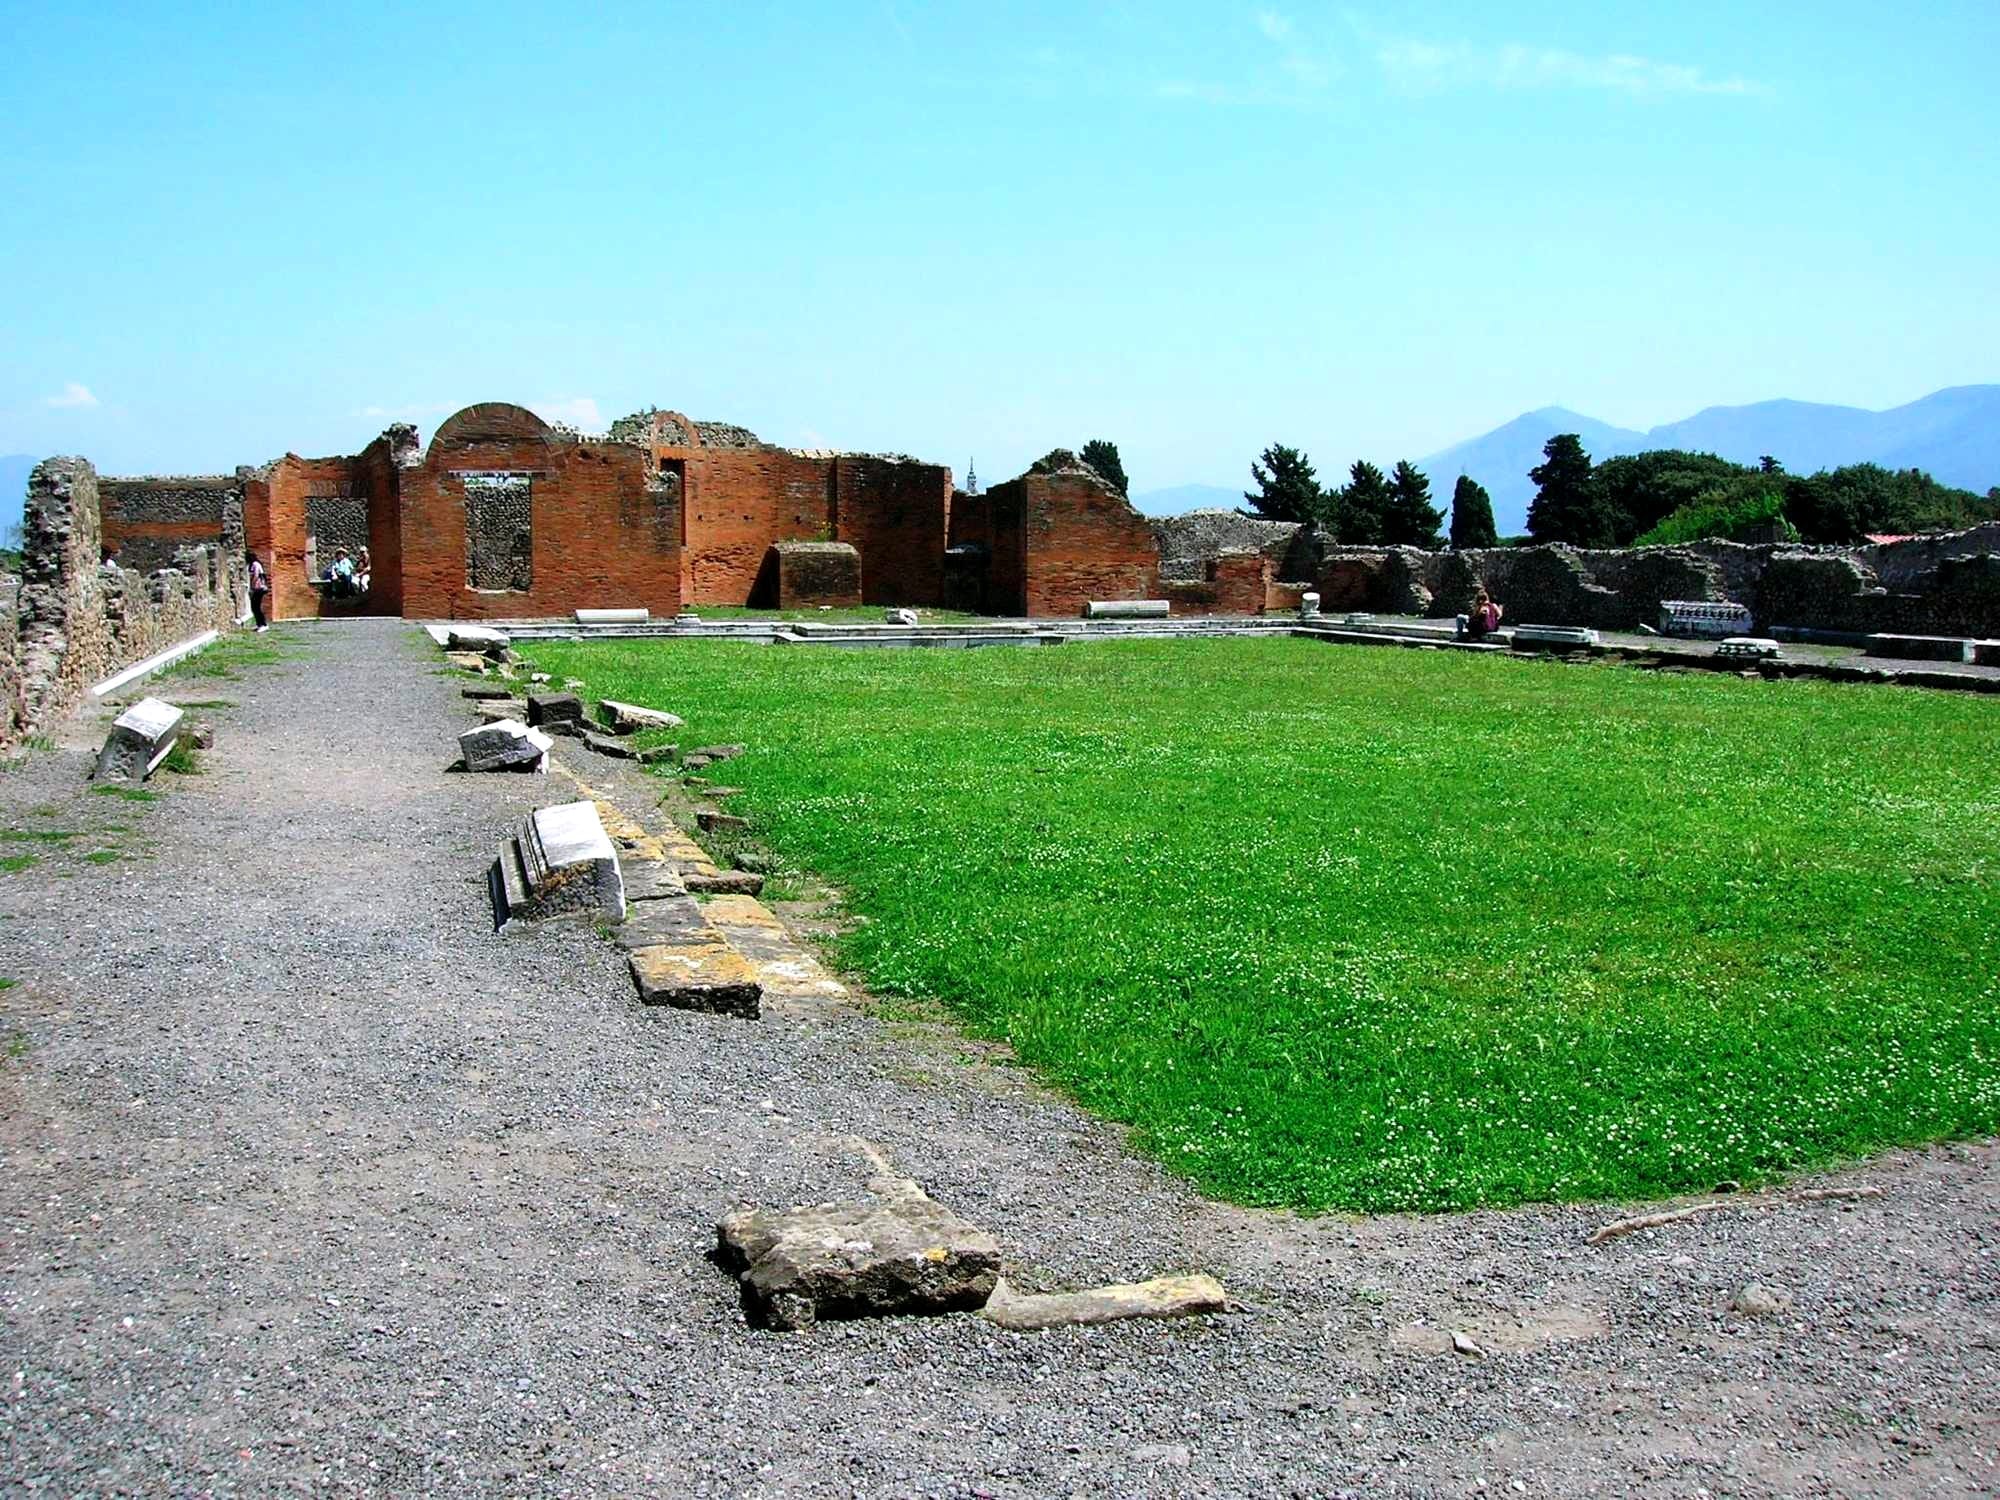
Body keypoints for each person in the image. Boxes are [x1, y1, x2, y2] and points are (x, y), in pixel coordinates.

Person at [247, 549, 270, 632]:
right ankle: (259, 624)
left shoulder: (255, 564)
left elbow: (256, 576)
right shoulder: (252, 564)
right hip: (256, 588)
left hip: (259, 588)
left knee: (257, 607)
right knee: (254, 607)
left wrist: (252, 587)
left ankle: (263, 624)